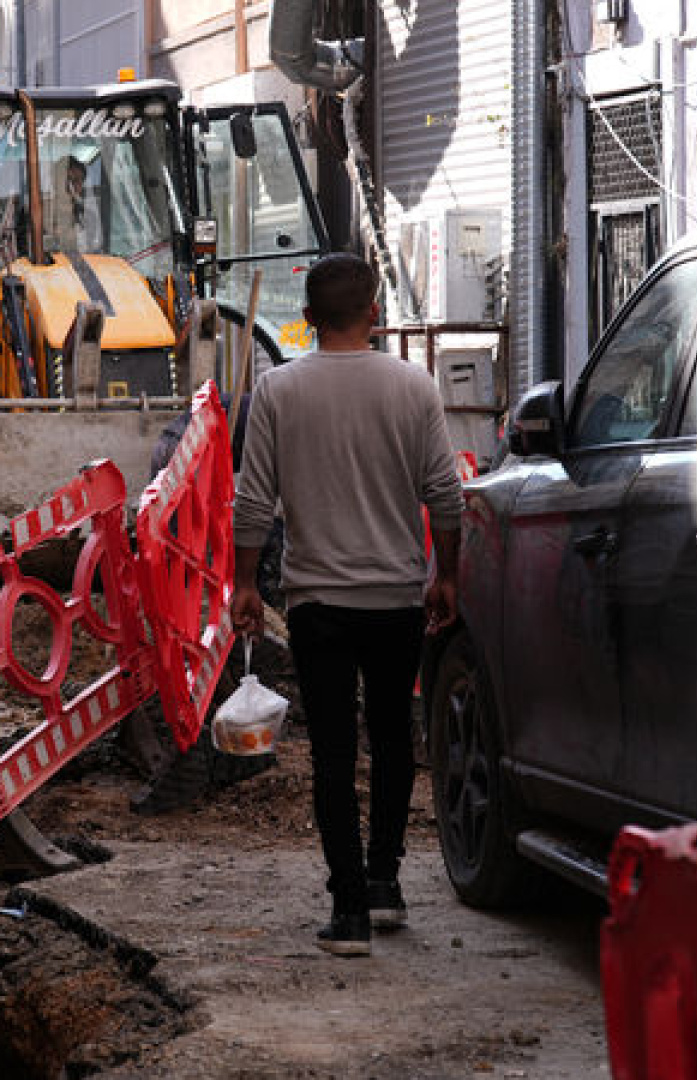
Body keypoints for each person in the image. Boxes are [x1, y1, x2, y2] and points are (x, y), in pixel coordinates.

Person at [228, 253, 463, 958]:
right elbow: (446, 496)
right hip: (394, 598)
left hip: (317, 602)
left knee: (332, 751)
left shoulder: (277, 389)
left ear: (305, 320)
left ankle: (350, 911)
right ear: (373, 314)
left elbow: (252, 503)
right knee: (393, 738)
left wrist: (243, 585)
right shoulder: (413, 387)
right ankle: (386, 883)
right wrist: (444, 576)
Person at [48, 155, 103, 255]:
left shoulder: (88, 217)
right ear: (54, 181)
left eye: (77, 180)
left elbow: (94, 253)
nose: (71, 186)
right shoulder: (41, 214)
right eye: (68, 179)